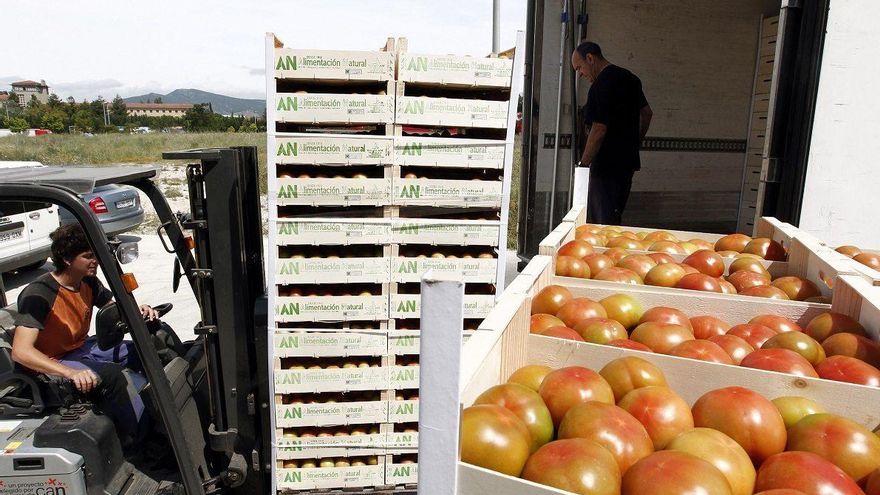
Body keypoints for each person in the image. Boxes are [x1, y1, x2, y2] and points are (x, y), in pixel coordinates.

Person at [12, 223, 157, 445]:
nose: (95, 261)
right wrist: (69, 373)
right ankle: (141, 440)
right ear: (68, 259)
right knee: (113, 375)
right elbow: (21, 352)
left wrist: (138, 310)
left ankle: (163, 410)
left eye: (95, 255)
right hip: (54, 361)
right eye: (87, 256)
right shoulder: (39, 294)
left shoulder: (87, 281)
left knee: (142, 348)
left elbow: (113, 309)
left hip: (81, 348)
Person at [571, 41, 653, 225]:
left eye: (579, 68)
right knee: (614, 215)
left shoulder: (600, 86)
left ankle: (605, 254)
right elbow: (647, 114)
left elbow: (599, 129)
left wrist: (584, 163)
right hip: (627, 165)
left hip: (606, 167)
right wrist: (634, 142)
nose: (580, 74)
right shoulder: (631, 79)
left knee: (602, 224)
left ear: (590, 58)